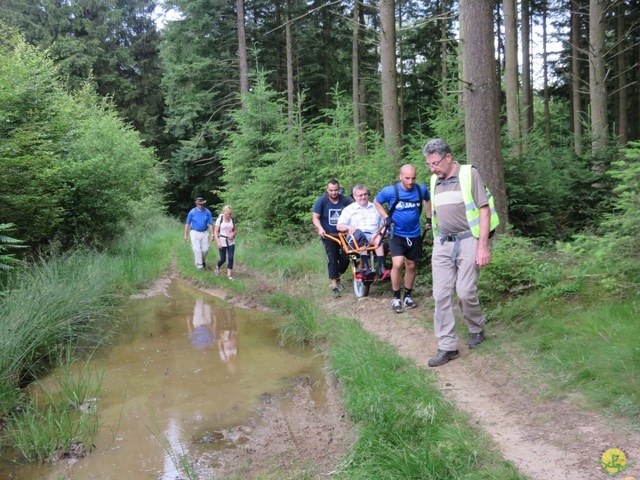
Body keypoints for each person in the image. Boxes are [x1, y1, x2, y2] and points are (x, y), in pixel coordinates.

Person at [424, 138, 499, 367]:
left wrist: (482, 246)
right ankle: (447, 346)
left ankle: (476, 327)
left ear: (448, 157)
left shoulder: (468, 174)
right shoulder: (434, 179)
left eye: (435, 163)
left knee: (465, 291)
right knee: (440, 295)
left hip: (469, 240)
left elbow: (484, 211)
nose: (433, 168)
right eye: (429, 164)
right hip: (443, 244)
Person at [374, 165, 431, 314]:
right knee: (398, 264)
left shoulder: (420, 190)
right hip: (396, 233)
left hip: (414, 234)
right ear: (400, 177)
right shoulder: (390, 191)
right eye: (407, 178)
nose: (410, 181)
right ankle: (395, 297)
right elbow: (376, 202)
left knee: (411, 266)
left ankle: (407, 295)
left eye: (413, 178)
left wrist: (429, 218)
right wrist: (386, 217)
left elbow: (428, 199)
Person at [336, 184, 387, 280]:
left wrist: (383, 228)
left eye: (365, 194)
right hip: (355, 237)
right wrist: (348, 226)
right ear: (354, 196)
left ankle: (382, 268)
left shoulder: (375, 207)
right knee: (360, 235)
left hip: (373, 235)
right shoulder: (349, 209)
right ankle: (365, 267)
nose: (363, 197)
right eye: (360, 195)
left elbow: (383, 223)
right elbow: (339, 226)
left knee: (378, 238)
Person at [312, 179, 352, 298]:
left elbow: (353, 214)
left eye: (336, 190)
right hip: (328, 235)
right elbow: (315, 217)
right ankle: (335, 286)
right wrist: (320, 228)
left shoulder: (345, 200)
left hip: (343, 234)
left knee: (346, 258)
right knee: (332, 259)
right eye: (331, 190)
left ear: (339, 189)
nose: (334, 193)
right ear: (327, 190)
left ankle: (337, 276)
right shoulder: (322, 201)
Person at [183, 197, 214, 271]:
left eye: (202, 204)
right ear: (196, 204)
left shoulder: (207, 212)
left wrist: (212, 234)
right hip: (194, 232)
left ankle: (202, 261)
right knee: (197, 249)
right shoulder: (192, 212)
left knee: (205, 249)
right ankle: (199, 265)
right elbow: (187, 223)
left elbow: (210, 224)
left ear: (203, 204)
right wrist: (185, 235)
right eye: (199, 204)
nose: (200, 206)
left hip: (204, 232)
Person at [214, 205, 237, 280]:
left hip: (231, 242)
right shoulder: (219, 220)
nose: (229, 215)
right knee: (223, 259)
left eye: (230, 214)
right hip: (222, 241)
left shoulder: (232, 220)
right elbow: (215, 231)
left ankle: (229, 275)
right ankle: (217, 266)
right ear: (224, 212)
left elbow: (235, 230)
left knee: (230, 257)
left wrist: (232, 234)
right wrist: (218, 242)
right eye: (227, 214)